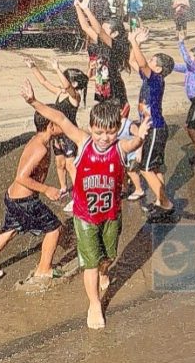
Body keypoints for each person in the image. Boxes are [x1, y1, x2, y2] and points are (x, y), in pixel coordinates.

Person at [20, 81, 150, 328]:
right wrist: (33, 102)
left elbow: (132, 144)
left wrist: (141, 136)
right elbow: (60, 117)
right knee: (90, 261)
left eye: (110, 132)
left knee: (107, 256)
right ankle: (94, 303)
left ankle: (104, 271)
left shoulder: (120, 147)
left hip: (111, 215)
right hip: (85, 217)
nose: (104, 138)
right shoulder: (83, 141)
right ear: (91, 128)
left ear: (118, 128)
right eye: (99, 132)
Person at [0, 95, 64, 283]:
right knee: (54, 229)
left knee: (9, 231)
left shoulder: (38, 140)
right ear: (50, 126)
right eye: (58, 121)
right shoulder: (40, 148)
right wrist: (47, 189)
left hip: (13, 197)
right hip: (24, 201)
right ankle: (44, 269)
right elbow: (21, 177)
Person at [128, 27, 176, 222]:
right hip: (152, 127)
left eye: (152, 60)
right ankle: (159, 201)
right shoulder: (150, 78)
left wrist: (134, 42)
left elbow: (140, 61)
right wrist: (136, 43)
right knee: (154, 168)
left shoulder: (156, 79)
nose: (147, 61)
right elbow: (133, 61)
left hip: (155, 128)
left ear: (158, 68)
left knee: (146, 168)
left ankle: (166, 203)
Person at [26, 58, 88, 203]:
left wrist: (57, 69)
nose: (62, 80)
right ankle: (64, 188)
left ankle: (79, 194)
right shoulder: (60, 93)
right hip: (58, 135)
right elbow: (44, 82)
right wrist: (33, 67)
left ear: (74, 84)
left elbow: (67, 87)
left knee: (70, 166)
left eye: (65, 78)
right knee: (59, 163)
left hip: (70, 135)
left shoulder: (75, 97)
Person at [73, 0, 130, 110]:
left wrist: (86, 9)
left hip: (114, 91)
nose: (101, 33)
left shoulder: (116, 46)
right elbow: (86, 27)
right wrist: (77, 6)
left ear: (115, 33)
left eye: (106, 30)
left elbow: (99, 30)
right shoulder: (103, 42)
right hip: (102, 87)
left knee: (112, 123)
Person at [174, 32, 195, 163]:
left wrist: (181, 43)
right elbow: (175, 66)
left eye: (191, 56)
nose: (188, 58)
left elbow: (187, 61)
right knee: (188, 127)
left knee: (191, 127)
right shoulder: (189, 69)